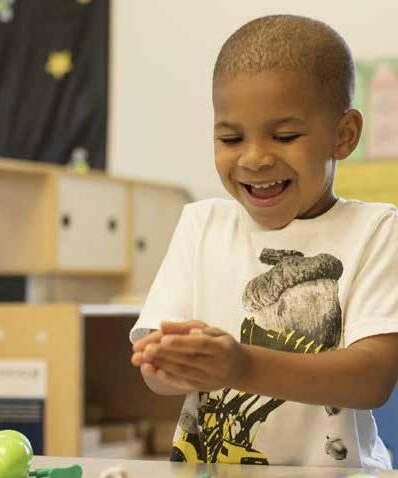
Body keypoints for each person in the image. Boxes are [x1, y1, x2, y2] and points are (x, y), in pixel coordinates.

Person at [130, 14, 398, 468]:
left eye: (285, 136)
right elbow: (157, 378)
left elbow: (373, 378)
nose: (254, 158)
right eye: (231, 137)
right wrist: (173, 362)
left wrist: (242, 366)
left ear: (344, 135)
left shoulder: (376, 229)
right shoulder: (201, 224)